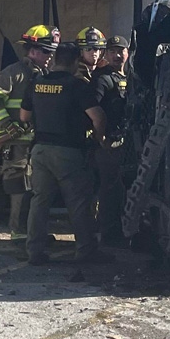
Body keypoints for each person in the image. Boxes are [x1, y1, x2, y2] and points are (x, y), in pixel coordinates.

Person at [20, 42, 111, 266]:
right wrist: (99, 139)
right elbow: (98, 117)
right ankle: (85, 250)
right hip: (68, 151)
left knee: (40, 202)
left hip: (40, 150)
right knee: (78, 203)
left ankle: (35, 252)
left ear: (54, 59)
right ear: (75, 61)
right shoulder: (76, 85)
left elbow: (24, 117)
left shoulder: (37, 83)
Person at [0, 25, 56, 243]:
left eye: (52, 52)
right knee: (20, 187)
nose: (50, 57)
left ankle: (34, 232)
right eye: (46, 52)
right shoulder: (12, 73)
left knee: (38, 188)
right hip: (15, 144)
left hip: (37, 143)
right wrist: (7, 125)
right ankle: (19, 232)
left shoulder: (45, 76)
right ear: (32, 50)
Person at [91, 35, 129, 246]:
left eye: (120, 51)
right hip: (108, 144)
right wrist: (101, 138)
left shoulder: (130, 78)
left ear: (127, 53)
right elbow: (92, 110)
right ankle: (107, 233)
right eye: (112, 51)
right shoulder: (102, 79)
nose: (117, 55)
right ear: (106, 54)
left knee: (121, 189)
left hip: (126, 143)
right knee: (109, 189)